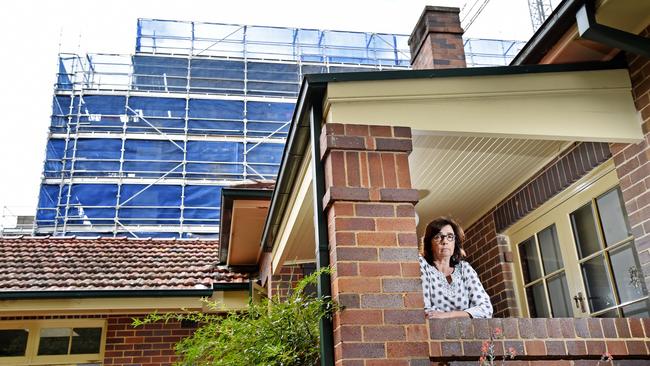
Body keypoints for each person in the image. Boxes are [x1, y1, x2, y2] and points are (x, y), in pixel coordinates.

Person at [418, 217, 493, 319]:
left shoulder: (464, 268)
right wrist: (466, 313)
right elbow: (426, 311)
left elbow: (486, 309)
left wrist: (448, 315)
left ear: (454, 242)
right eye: (438, 236)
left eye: (450, 236)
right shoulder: (423, 265)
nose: (445, 241)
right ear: (430, 244)